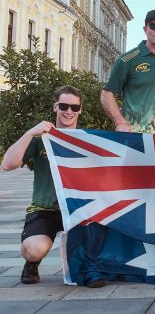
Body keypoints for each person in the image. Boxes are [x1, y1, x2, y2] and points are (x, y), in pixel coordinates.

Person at [1, 86, 104, 288]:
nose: (69, 111)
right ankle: (32, 263)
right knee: (35, 248)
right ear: (55, 106)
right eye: (64, 106)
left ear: (80, 110)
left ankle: (89, 266)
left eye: (74, 107)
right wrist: (30, 132)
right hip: (45, 208)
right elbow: (7, 164)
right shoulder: (40, 139)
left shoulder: (86, 140)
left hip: (77, 209)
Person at [101, 9, 155, 134]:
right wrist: (120, 122)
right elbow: (106, 95)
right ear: (145, 29)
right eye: (153, 26)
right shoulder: (127, 59)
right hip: (136, 137)